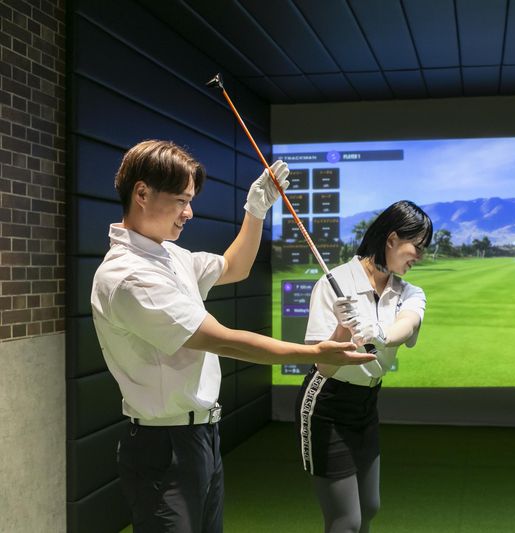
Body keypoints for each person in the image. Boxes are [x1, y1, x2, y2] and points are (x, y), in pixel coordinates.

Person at [90, 140, 375, 533]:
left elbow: (234, 266)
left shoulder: (169, 255)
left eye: (190, 201)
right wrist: (315, 352)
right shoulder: (129, 275)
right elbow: (223, 340)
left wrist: (256, 209)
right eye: (181, 200)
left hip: (201, 435)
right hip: (164, 445)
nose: (189, 213)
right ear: (141, 193)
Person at [295, 200, 432, 533]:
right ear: (392, 239)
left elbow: (407, 326)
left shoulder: (408, 291)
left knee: (369, 506)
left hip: (366, 405)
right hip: (326, 403)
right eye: (417, 246)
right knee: (346, 521)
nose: (419, 256)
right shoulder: (333, 283)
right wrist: (342, 329)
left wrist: (380, 333)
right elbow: (323, 365)